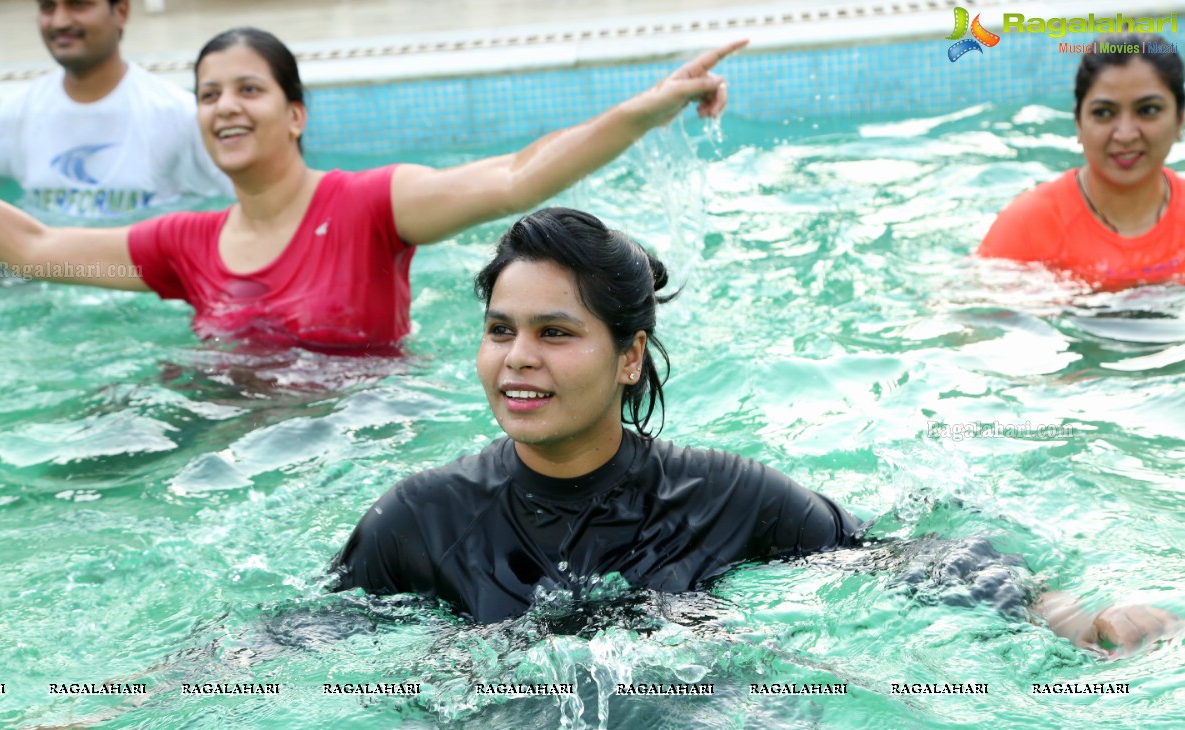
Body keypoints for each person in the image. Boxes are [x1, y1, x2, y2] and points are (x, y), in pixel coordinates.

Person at [330, 207, 1183, 654]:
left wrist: (1060, 611)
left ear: (629, 358)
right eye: (499, 330)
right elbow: (305, 637)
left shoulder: (723, 495)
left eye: (555, 333)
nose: (517, 359)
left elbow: (895, 557)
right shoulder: (420, 519)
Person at [0, 26, 744, 352]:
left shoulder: (371, 205)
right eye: (209, 94)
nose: (225, 108)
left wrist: (644, 110)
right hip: (232, 464)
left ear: (295, 114)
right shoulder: (185, 246)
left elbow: (517, 178)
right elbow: (37, 249)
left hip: (358, 436)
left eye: (248, 88)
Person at [977, 33, 1185, 291]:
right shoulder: (1026, 229)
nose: (1126, 134)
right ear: (1078, 123)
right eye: (1104, 113)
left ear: (1179, 119)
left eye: (1148, 110)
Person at [0, 0, 230, 217]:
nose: (59, 21)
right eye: (48, 7)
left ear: (121, 12)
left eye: (78, 4)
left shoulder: (178, 113)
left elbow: (230, 210)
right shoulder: (15, 113)